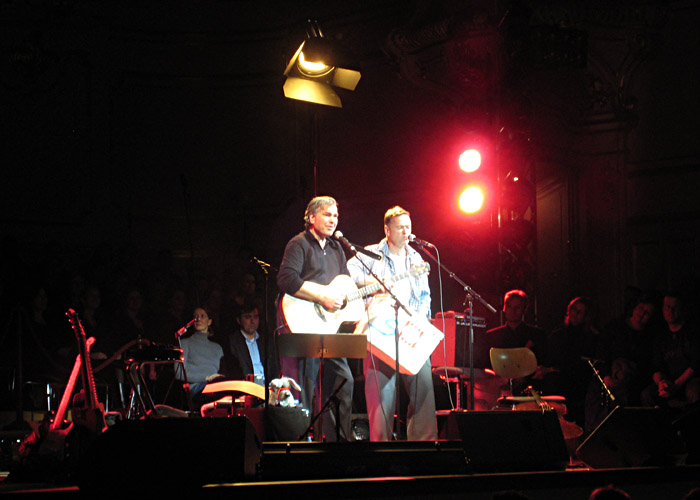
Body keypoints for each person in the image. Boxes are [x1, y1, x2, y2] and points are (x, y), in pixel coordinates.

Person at [346, 205, 436, 441]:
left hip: (411, 331)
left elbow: (425, 296)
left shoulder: (416, 257)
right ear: (387, 230)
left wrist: (422, 322)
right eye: (400, 227)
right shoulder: (371, 253)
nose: (406, 232)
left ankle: (424, 447)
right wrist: (375, 281)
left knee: (423, 389)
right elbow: (348, 274)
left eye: (409, 226)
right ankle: (381, 451)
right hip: (380, 330)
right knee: (381, 397)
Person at [276, 196, 354, 441]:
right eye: (327, 215)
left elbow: (344, 285)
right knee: (308, 386)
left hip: (328, 329)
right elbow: (286, 279)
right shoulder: (298, 244)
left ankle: (338, 441)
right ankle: (303, 444)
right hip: (303, 325)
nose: (333, 220)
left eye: (336, 216)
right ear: (311, 217)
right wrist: (321, 296)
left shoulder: (336, 248)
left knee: (345, 381)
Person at [585, 290, 659, 433]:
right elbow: (602, 354)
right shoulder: (614, 328)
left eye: (647, 313)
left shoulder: (649, 337)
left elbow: (648, 365)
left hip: (630, 382)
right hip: (606, 377)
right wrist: (606, 376)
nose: (642, 314)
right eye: (640, 309)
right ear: (634, 307)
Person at [474, 289, 549, 394]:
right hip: (498, 390)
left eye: (517, 307)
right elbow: (484, 365)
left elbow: (542, 365)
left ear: (524, 309)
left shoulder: (537, 335)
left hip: (530, 390)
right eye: (509, 306)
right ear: (504, 308)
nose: (513, 311)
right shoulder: (491, 336)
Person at [544, 296, 599, 427]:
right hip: (559, 380)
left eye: (580, 311)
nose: (576, 314)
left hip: (579, 381)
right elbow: (550, 359)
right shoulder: (557, 335)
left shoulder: (591, 337)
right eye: (574, 309)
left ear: (586, 316)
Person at [641, 292, 700, 411]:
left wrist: (677, 385)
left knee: (694, 392)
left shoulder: (693, 332)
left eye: (674, 307)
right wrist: (661, 383)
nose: (670, 311)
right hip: (670, 381)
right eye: (667, 307)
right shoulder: (660, 337)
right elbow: (656, 366)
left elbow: (696, 363)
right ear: (663, 309)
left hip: (689, 380)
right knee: (647, 395)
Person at [176, 306, 225, 409]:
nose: (198, 319)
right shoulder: (185, 343)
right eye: (195, 317)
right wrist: (206, 378)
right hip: (195, 389)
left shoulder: (217, 348)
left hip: (216, 386)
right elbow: (179, 373)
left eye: (202, 316)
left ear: (209, 321)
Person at [221, 300, 278, 385]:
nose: (252, 321)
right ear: (239, 320)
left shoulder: (266, 340)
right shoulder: (232, 342)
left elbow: (274, 367)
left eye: (255, 317)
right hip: (245, 387)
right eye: (247, 317)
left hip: (268, 386)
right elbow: (232, 371)